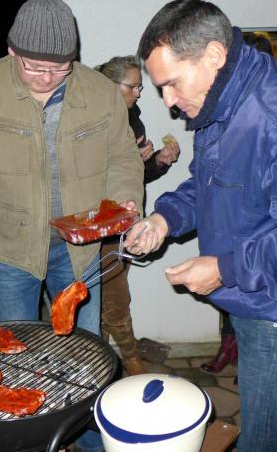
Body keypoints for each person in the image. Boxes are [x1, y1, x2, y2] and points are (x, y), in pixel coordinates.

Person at [124, 0, 277, 452]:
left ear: (214, 55)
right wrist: (164, 218)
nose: (169, 102)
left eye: (172, 83)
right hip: (263, 302)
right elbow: (210, 182)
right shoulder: (226, 102)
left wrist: (226, 268)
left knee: (264, 442)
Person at [0, 0, 144, 452]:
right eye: (34, 67)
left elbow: (123, 156)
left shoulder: (99, 92)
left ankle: (88, 441)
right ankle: (26, 440)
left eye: (59, 69)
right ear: (11, 51)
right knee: (14, 355)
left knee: (83, 354)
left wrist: (125, 200)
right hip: (9, 251)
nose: (47, 78)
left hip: (79, 251)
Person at [94, 55, 180, 376]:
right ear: (109, 85)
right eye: (132, 86)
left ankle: (100, 362)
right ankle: (130, 359)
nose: (139, 93)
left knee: (108, 293)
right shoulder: (93, 118)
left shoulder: (133, 118)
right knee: (115, 294)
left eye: (140, 87)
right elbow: (88, 175)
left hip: (127, 218)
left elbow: (136, 176)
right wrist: (131, 158)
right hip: (100, 220)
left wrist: (158, 161)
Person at [199, 31, 274, 375]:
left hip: (265, 273)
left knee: (266, 401)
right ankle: (231, 348)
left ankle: (241, 356)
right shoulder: (225, 115)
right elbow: (203, 180)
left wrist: (227, 267)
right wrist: (166, 217)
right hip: (232, 242)